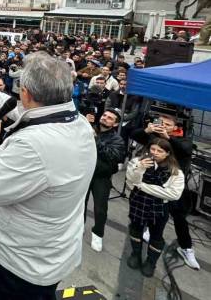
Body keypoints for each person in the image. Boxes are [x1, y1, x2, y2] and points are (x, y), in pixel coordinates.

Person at [0, 52, 96, 300]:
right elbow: (21, 111)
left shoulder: (33, 145)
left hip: (22, 264)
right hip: (52, 252)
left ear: (26, 93)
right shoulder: (77, 121)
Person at [130, 114, 200, 270]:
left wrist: (167, 137)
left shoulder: (182, 140)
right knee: (145, 216)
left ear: (175, 127)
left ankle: (186, 247)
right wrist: (147, 130)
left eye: (168, 124)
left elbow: (185, 150)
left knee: (179, 217)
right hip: (151, 182)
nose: (163, 126)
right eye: (161, 123)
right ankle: (142, 243)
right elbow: (134, 135)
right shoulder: (153, 136)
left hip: (172, 185)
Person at [126, 137, 184, 277]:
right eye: (153, 149)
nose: (155, 153)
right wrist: (140, 169)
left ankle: (151, 262)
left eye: (160, 151)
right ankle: (135, 254)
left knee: (156, 235)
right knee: (136, 228)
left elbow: (173, 194)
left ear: (167, 153)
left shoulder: (176, 172)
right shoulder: (136, 162)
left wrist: (143, 186)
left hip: (159, 207)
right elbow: (131, 182)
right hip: (138, 203)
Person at [84, 109, 126, 252]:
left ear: (115, 124)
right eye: (104, 116)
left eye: (110, 118)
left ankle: (97, 234)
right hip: (85, 173)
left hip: (101, 178)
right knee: (79, 204)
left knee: (100, 209)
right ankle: (78, 228)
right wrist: (83, 123)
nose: (105, 118)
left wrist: (95, 139)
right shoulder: (89, 128)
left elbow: (113, 156)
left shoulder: (117, 140)